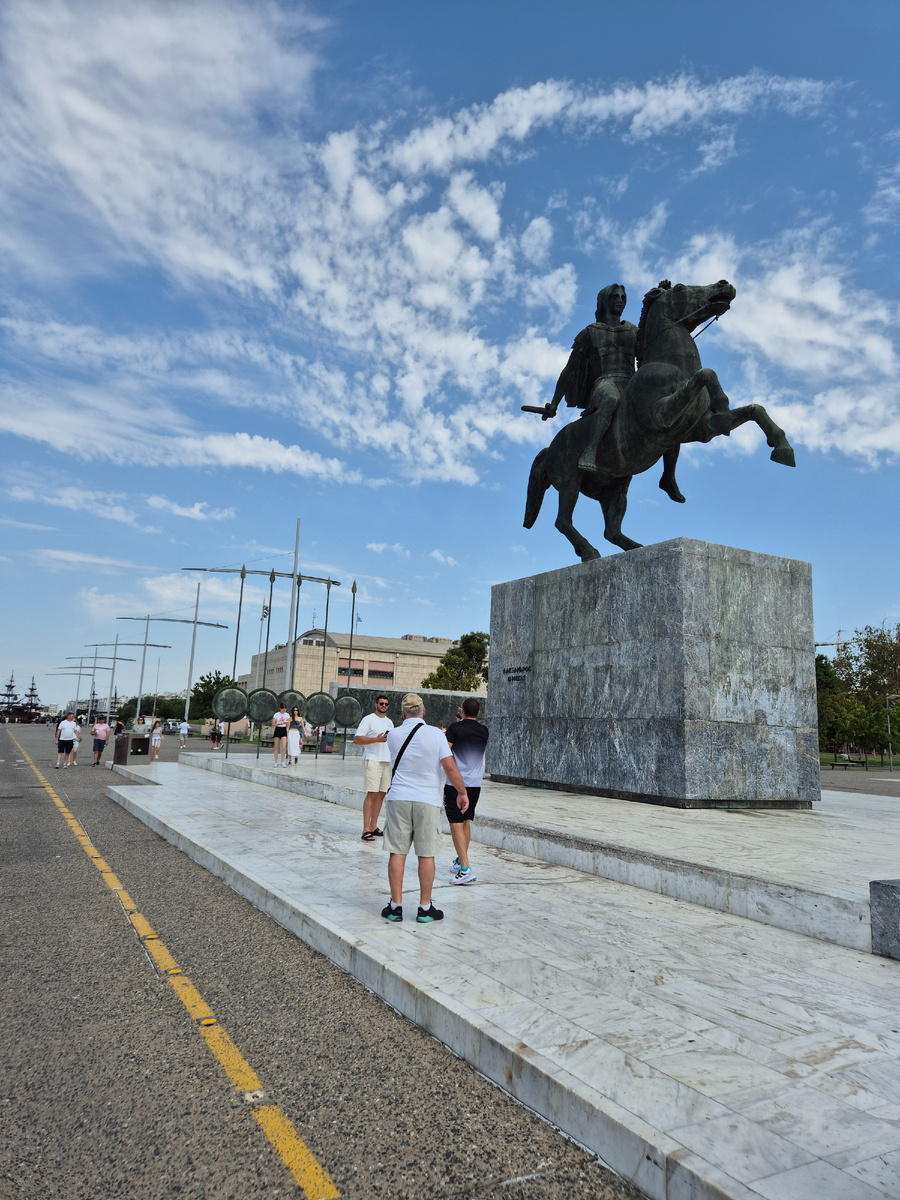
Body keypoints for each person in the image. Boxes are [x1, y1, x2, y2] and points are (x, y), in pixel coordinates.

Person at [544, 283, 684, 501]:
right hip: (605, 382)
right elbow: (569, 371)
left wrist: (661, 296)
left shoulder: (633, 331)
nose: (619, 299)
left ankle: (668, 475)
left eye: (622, 296)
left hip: (633, 382)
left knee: (671, 411)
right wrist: (554, 403)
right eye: (614, 296)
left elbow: (658, 335)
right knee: (611, 399)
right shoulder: (589, 333)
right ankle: (590, 451)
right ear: (604, 301)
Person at [381, 693, 468, 924]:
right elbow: (449, 768)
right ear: (423, 711)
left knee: (397, 852)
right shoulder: (436, 735)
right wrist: (462, 792)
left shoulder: (393, 735)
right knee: (426, 854)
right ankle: (424, 908)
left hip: (399, 797)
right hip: (427, 801)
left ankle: (395, 906)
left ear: (402, 713)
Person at [444, 698, 489, 885]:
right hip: (474, 784)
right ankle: (459, 859)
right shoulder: (484, 731)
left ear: (461, 711)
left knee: (455, 822)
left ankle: (465, 868)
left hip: (456, 783)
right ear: (478, 713)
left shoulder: (454, 728)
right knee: (465, 820)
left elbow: (446, 752)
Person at [354, 695, 394, 842]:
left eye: (386, 704)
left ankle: (373, 826)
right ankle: (365, 829)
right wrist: (376, 739)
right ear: (375, 704)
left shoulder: (389, 722)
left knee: (382, 793)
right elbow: (357, 739)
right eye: (381, 703)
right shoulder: (368, 719)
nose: (384, 706)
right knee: (372, 793)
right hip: (373, 760)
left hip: (386, 761)